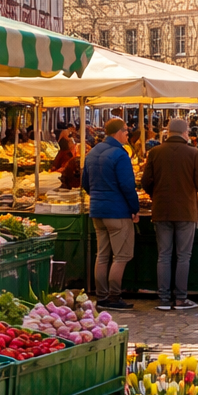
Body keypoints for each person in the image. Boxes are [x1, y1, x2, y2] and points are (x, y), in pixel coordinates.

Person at [139, 118, 198, 311]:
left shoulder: (154, 152)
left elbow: (145, 182)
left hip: (161, 209)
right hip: (186, 211)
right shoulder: (194, 153)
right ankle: (180, 298)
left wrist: (156, 195)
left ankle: (163, 299)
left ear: (168, 132)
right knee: (183, 256)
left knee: (164, 255)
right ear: (184, 132)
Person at [81, 118, 140, 310]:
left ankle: (102, 296)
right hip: (117, 211)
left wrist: (97, 197)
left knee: (103, 255)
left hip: (97, 210)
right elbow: (127, 186)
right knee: (121, 255)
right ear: (117, 132)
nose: (128, 134)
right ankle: (114, 297)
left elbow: (85, 183)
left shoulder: (92, 152)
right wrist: (134, 208)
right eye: (126, 131)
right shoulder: (120, 155)